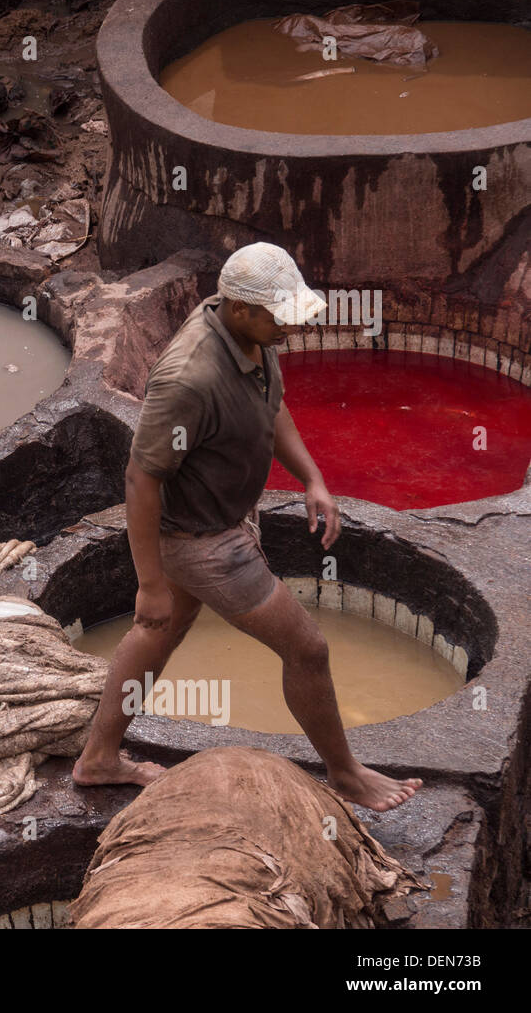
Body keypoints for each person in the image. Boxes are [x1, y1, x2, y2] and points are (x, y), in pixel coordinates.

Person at [72, 242, 422, 812]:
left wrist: (312, 478)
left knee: (158, 634)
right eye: (278, 316)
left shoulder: (252, 336)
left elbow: (272, 405)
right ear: (238, 308)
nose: (289, 327)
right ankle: (347, 774)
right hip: (203, 542)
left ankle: (99, 759)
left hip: (219, 520)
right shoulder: (189, 378)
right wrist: (150, 582)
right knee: (307, 648)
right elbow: (140, 478)